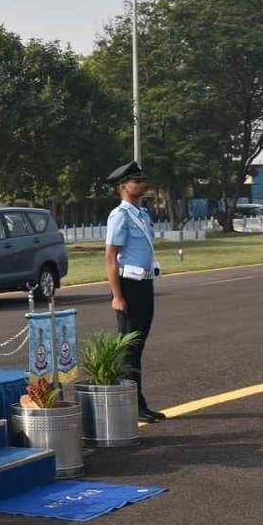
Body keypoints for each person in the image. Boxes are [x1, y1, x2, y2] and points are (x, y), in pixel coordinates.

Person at [104, 161, 166, 423]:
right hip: (128, 286)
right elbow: (110, 258)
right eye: (136, 181)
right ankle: (132, 405)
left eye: (143, 180)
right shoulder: (120, 215)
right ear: (122, 186)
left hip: (144, 284)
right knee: (130, 349)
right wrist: (117, 296)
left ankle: (138, 402)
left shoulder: (141, 214)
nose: (142, 184)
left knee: (138, 347)